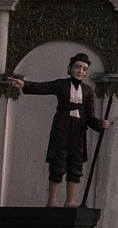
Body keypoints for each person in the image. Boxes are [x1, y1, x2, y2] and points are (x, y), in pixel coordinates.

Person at [10, 53, 108, 208]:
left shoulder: (88, 91)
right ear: (69, 68)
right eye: (77, 67)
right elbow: (43, 87)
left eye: (84, 69)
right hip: (62, 127)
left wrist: (100, 124)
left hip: (78, 130)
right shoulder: (61, 85)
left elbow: (90, 117)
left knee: (75, 164)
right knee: (58, 161)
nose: (80, 71)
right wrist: (24, 85)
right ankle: (52, 200)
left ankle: (70, 201)